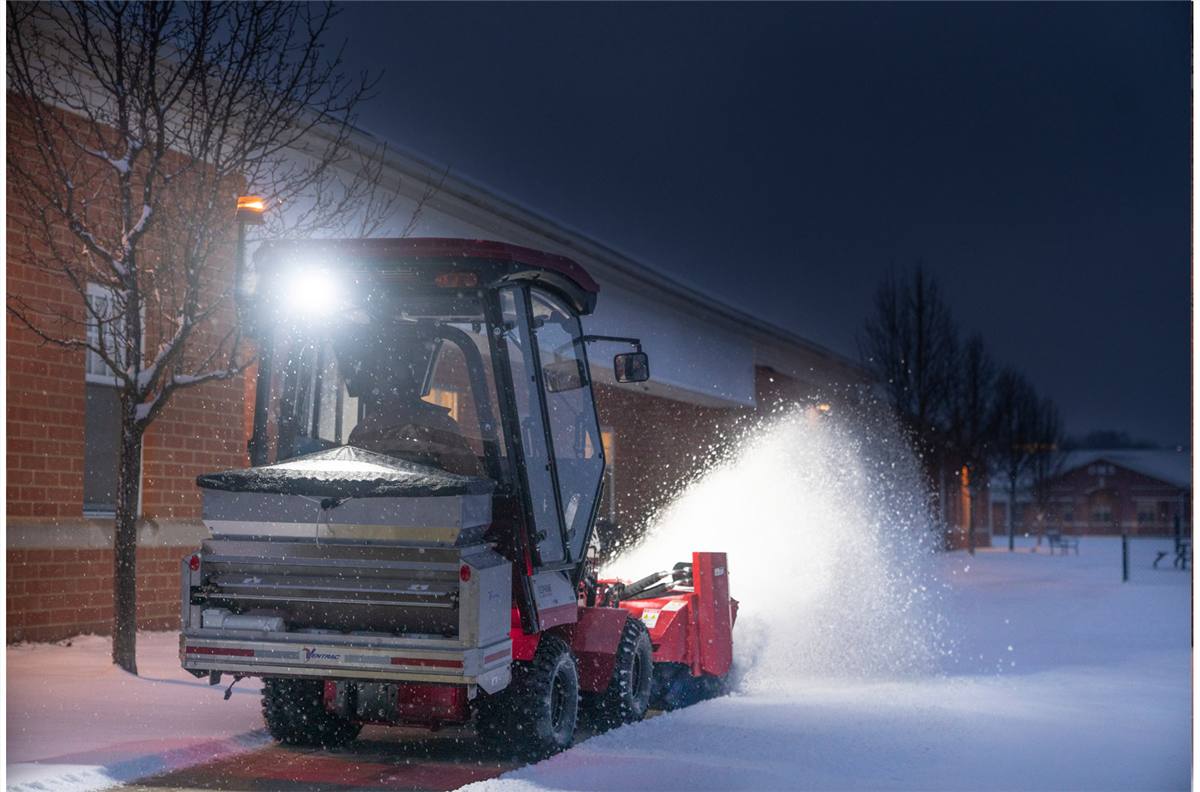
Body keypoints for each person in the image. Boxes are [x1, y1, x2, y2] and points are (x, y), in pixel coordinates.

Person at [346, 353, 484, 479]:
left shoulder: (365, 430)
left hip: (428, 505)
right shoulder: (441, 426)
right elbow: (474, 481)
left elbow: (472, 481)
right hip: (435, 504)